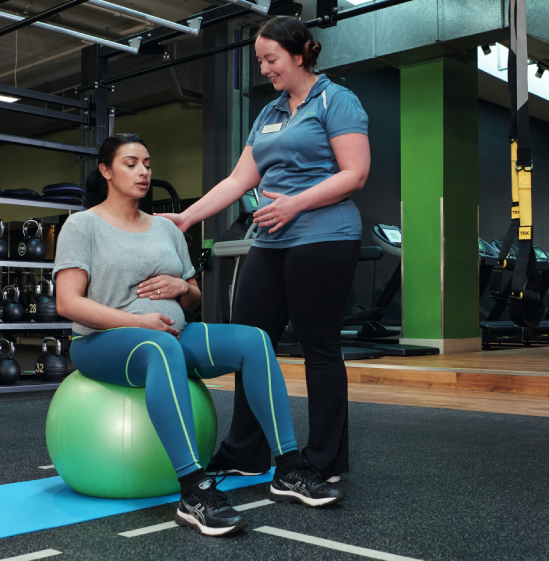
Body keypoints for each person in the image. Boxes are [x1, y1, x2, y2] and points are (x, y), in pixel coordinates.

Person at [54, 133, 341, 538]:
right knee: (161, 346)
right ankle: (193, 491)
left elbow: (193, 297)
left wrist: (179, 287)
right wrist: (138, 323)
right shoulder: (82, 226)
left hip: (172, 332)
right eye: (131, 163)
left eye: (148, 164)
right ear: (105, 171)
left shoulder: (166, 229)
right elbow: (67, 303)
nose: (143, 172)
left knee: (255, 340)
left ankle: (289, 467)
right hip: (103, 342)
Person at [158, 17, 371, 484]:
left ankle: (325, 460)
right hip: (272, 240)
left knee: (319, 347)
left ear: (299, 55)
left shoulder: (337, 100)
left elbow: (354, 173)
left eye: (271, 59)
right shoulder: (270, 114)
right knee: (249, 344)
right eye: (259, 61)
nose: (265, 69)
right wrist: (188, 217)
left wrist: (295, 203)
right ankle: (246, 451)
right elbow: (239, 180)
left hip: (324, 236)